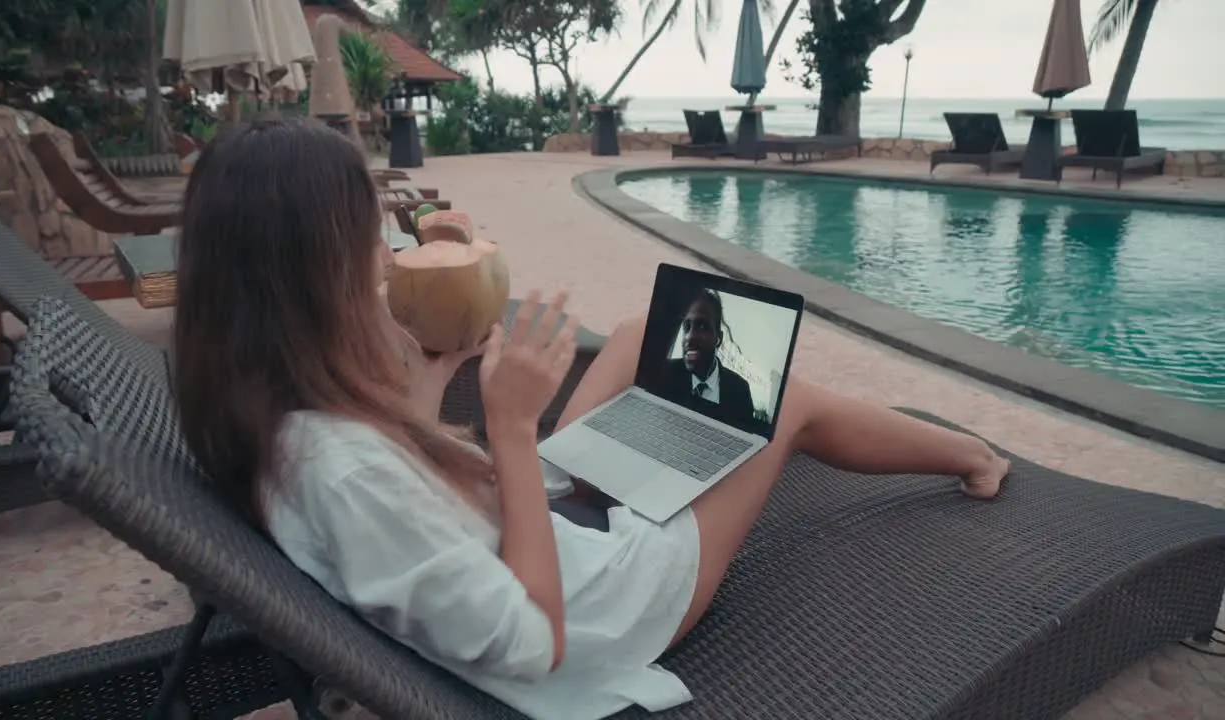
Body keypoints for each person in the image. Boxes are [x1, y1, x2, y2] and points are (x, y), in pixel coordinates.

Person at [171, 118, 1011, 720]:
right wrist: (509, 431)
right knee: (778, 399)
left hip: (538, 528)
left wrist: (439, 381)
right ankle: (974, 456)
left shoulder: (277, 419)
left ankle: (644, 443)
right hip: (603, 607)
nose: (385, 261)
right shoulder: (344, 474)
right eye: (369, 243)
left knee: (650, 333)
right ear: (315, 274)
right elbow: (537, 642)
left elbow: (410, 493)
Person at [658, 288, 757, 427]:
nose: (690, 337)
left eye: (702, 326)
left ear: (718, 339)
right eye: (687, 327)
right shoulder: (666, 372)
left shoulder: (740, 390)